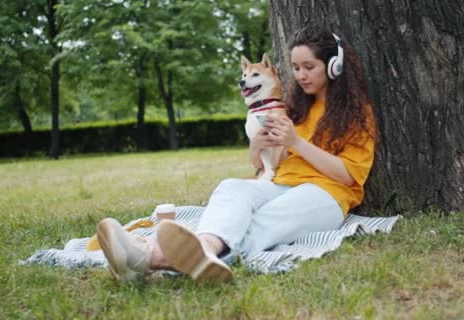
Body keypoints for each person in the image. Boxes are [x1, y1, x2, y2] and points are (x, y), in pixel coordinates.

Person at [96, 25, 377, 284]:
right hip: (281, 184)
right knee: (231, 188)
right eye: (295, 67)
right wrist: (257, 146)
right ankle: (203, 247)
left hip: (325, 195)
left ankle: (151, 256)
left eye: (309, 67)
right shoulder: (295, 108)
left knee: (263, 220)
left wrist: (297, 142)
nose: (300, 75)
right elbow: (262, 164)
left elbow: (349, 176)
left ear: (333, 67)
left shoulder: (357, 114)